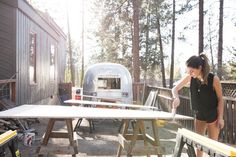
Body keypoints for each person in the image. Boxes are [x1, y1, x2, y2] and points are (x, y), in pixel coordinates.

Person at [172, 53, 224, 157]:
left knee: (212, 147)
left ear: (200, 68)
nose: (190, 73)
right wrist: (176, 97)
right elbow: (174, 89)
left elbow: (220, 99)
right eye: (188, 71)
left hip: (212, 115)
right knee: (198, 145)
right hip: (199, 114)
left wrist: (221, 117)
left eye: (192, 71)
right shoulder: (190, 77)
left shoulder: (214, 79)